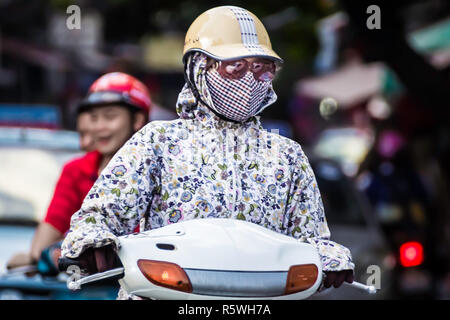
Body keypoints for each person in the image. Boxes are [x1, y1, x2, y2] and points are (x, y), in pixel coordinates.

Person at [60, 6, 355, 299]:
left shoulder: (287, 155)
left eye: (261, 68)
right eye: (236, 67)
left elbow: (311, 239)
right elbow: (97, 218)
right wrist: (92, 242)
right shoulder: (158, 142)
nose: (250, 80)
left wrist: (328, 257)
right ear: (198, 68)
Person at [6, 72, 152, 270]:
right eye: (94, 118)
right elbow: (54, 223)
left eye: (110, 117)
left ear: (137, 119)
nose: (99, 127)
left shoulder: (156, 170)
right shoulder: (76, 170)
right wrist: (36, 255)